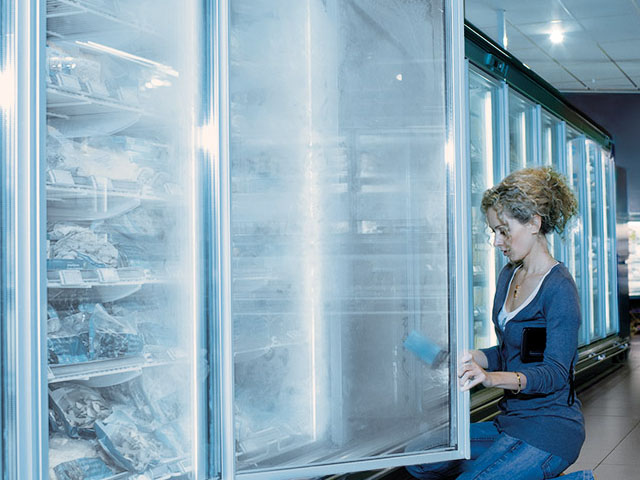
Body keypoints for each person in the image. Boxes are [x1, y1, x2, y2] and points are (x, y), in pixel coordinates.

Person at [407, 167, 594, 480]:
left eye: (504, 230)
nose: (496, 241)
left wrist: (490, 378)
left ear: (534, 222)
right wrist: (475, 358)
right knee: (421, 458)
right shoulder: (509, 275)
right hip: (509, 422)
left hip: (550, 430)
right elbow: (515, 350)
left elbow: (554, 374)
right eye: (493, 231)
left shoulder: (559, 288)